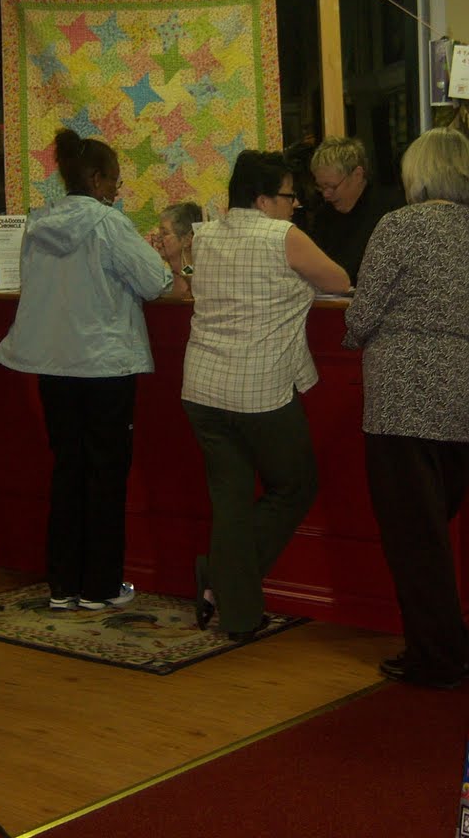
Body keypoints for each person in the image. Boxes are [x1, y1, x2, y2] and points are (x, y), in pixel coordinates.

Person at [0, 128, 174, 611]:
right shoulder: (109, 225)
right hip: (105, 365)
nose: (117, 188)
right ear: (95, 180)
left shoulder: (39, 225)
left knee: (67, 470)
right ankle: (100, 586)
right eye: (114, 179)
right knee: (106, 475)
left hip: (53, 365)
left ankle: (63, 584)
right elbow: (155, 281)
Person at [344, 128, 469, 688]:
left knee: (414, 538)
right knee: (429, 532)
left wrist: (352, 335)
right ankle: (447, 647)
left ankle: (440, 656)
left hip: (405, 398)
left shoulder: (400, 226)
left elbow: (363, 312)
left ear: (421, 172)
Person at [182, 151, 351, 640]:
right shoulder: (281, 235)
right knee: (295, 487)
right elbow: (340, 280)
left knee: (230, 503)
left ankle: (236, 609)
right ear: (261, 199)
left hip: (202, 386)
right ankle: (222, 582)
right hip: (258, 390)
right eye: (288, 196)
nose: (295, 205)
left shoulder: (204, 235)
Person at [306, 136, 404, 283]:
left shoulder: (391, 212)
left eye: (332, 186)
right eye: (321, 187)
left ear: (357, 175)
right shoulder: (323, 216)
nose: (326, 195)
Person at [148, 201, 203, 296]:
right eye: (159, 233)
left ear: (187, 240)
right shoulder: (164, 278)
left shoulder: (196, 277)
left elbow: (188, 274)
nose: (158, 238)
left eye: (165, 233)